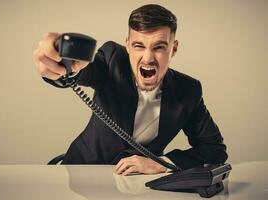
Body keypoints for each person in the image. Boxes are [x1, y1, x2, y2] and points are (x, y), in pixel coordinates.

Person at [33, 4, 228, 176]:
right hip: (82, 174)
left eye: (159, 47)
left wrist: (161, 163)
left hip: (137, 187)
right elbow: (84, 71)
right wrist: (62, 63)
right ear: (127, 45)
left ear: (173, 49)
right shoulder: (112, 59)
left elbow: (214, 149)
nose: (148, 58)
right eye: (138, 46)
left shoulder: (189, 90)